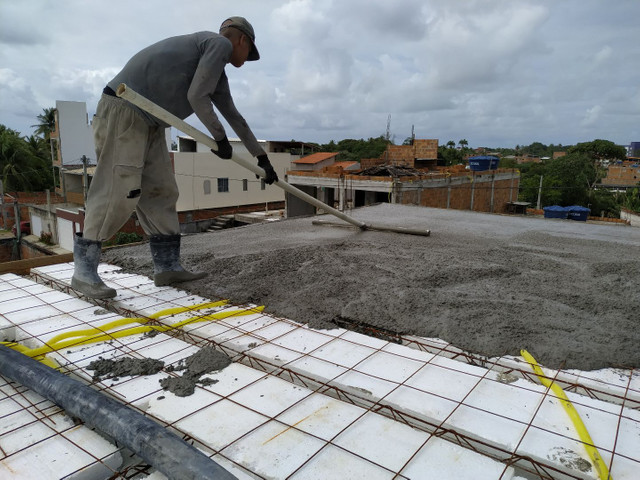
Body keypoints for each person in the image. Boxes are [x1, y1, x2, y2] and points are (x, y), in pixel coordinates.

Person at [72, 16, 278, 299]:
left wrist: (261, 159)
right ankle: (84, 271)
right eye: (249, 52)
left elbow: (234, 116)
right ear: (242, 39)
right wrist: (218, 137)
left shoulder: (213, 63)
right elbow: (197, 97)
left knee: (161, 190)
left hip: (152, 120)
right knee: (119, 189)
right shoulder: (218, 44)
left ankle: (167, 266)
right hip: (125, 109)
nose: (246, 59)